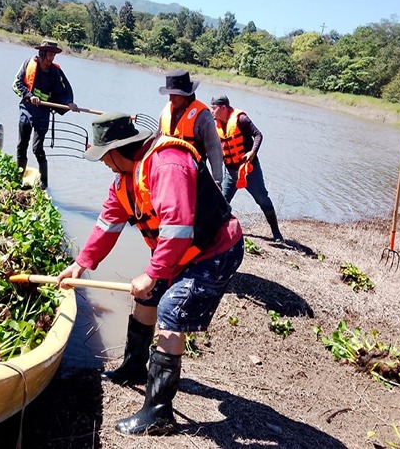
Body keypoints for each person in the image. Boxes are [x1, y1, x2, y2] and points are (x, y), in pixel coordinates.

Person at [56, 112, 245, 436]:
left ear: (117, 150)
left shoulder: (168, 165)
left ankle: (159, 413)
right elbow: (107, 224)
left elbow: (179, 227)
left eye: (103, 156)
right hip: (181, 252)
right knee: (146, 298)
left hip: (215, 250)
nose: (103, 163)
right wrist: (82, 263)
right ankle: (133, 368)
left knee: (171, 311)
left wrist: (153, 272)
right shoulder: (124, 179)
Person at [210, 94, 284, 242]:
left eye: (214, 108)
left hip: (249, 170)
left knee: (263, 199)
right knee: (222, 201)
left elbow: (258, 135)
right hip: (231, 172)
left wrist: (253, 151)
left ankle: (276, 233)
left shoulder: (241, 119)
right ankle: (215, 234)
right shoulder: (215, 123)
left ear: (223, 107)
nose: (211, 111)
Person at [12, 39, 78, 189]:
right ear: (42, 53)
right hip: (27, 110)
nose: (51, 58)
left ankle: (44, 183)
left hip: (43, 112)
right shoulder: (29, 64)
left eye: (53, 55)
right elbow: (16, 84)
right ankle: (17, 179)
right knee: (22, 145)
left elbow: (64, 91)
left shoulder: (55, 72)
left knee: (37, 148)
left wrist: (69, 103)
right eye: (49, 55)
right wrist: (29, 96)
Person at [158, 70, 223, 184]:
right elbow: (157, 138)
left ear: (185, 94)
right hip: (166, 172)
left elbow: (214, 150)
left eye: (174, 95)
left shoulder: (203, 117)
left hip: (191, 175)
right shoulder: (166, 111)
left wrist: (217, 181)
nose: (170, 99)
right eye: (170, 94)